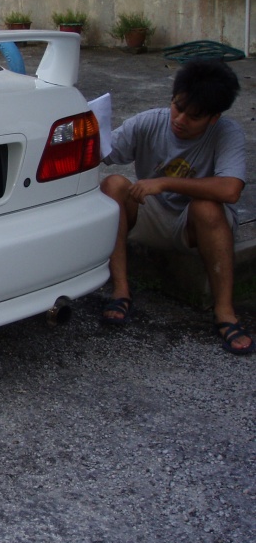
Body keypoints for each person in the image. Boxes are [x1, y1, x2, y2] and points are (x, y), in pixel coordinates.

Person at [99, 58, 254, 354]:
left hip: (197, 225)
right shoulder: (150, 121)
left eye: (193, 116)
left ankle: (224, 312)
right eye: (178, 107)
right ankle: (120, 290)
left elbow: (231, 190)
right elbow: (103, 151)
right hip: (154, 216)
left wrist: (165, 183)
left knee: (207, 206)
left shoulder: (227, 133)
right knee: (113, 185)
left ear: (213, 118)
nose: (180, 119)